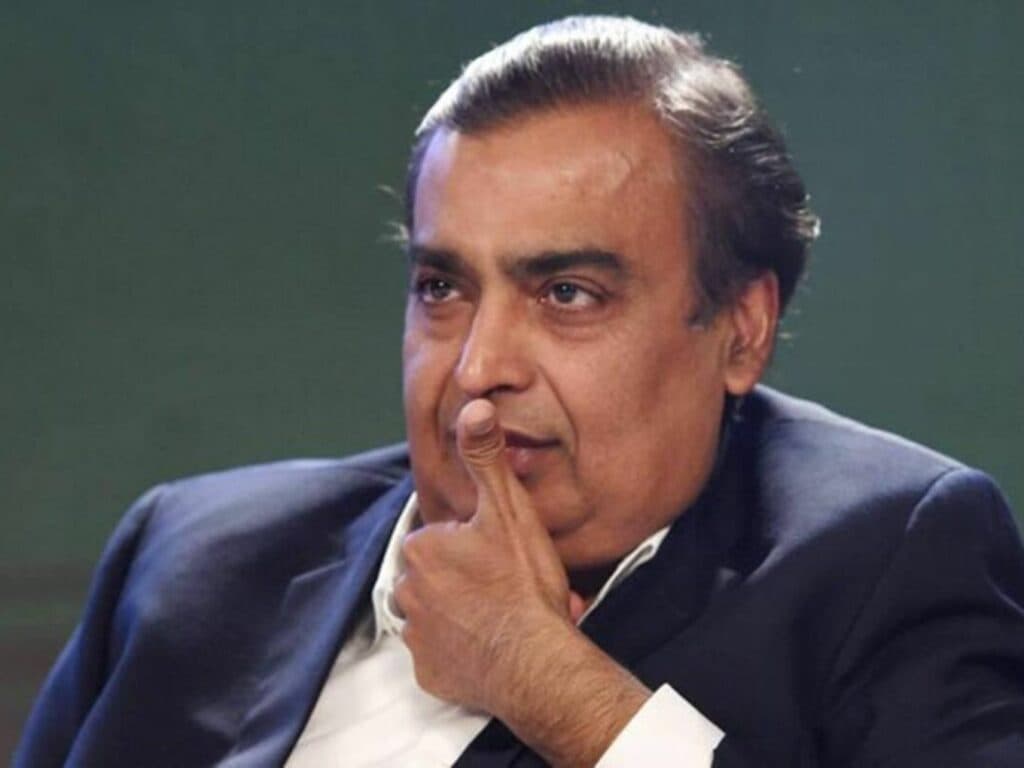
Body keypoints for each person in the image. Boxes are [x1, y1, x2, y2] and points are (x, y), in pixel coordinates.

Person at [15, 15, 1024, 768]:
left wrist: (552, 686)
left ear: (740, 329)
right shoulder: (193, 558)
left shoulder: (881, 564)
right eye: (442, 288)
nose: (475, 366)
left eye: (567, 293)